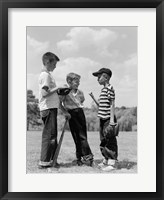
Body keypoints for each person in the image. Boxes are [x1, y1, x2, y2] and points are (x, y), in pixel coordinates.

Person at [38, 52, 69, 168]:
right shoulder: (45, 75)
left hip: (51, 108)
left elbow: (50, 93)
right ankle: (44, 162)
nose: (55, 66)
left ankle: (51, 160)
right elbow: (45, 93)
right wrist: (58, 87)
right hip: (48, 108)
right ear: (47, 62)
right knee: (49, 136)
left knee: (52, 135)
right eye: (54, 64)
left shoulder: (47, 75)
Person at [60, 72, 94, 166]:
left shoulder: (80, 92)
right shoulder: (65, 91)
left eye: (79, 81)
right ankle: (87, 158)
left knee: (83, 136)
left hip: (80, 113)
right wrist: (65, 112)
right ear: (69, 81)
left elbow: (81, 101)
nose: (78, 83)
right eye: (76, 81)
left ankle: (80, 158)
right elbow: (59, 103)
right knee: (77, 136)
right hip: (71, 114)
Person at [92, 68, 118, 171]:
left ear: (106, 77)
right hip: (102, 119)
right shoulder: (103, 89)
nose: (97, 79)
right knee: (103, 140)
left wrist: (112, 121)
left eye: (99, 77)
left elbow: (112, 104)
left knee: (110, 140)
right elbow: (103, 105)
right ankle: (106, 160)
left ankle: (112, 163)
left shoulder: (110, 88)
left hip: (108, 119)